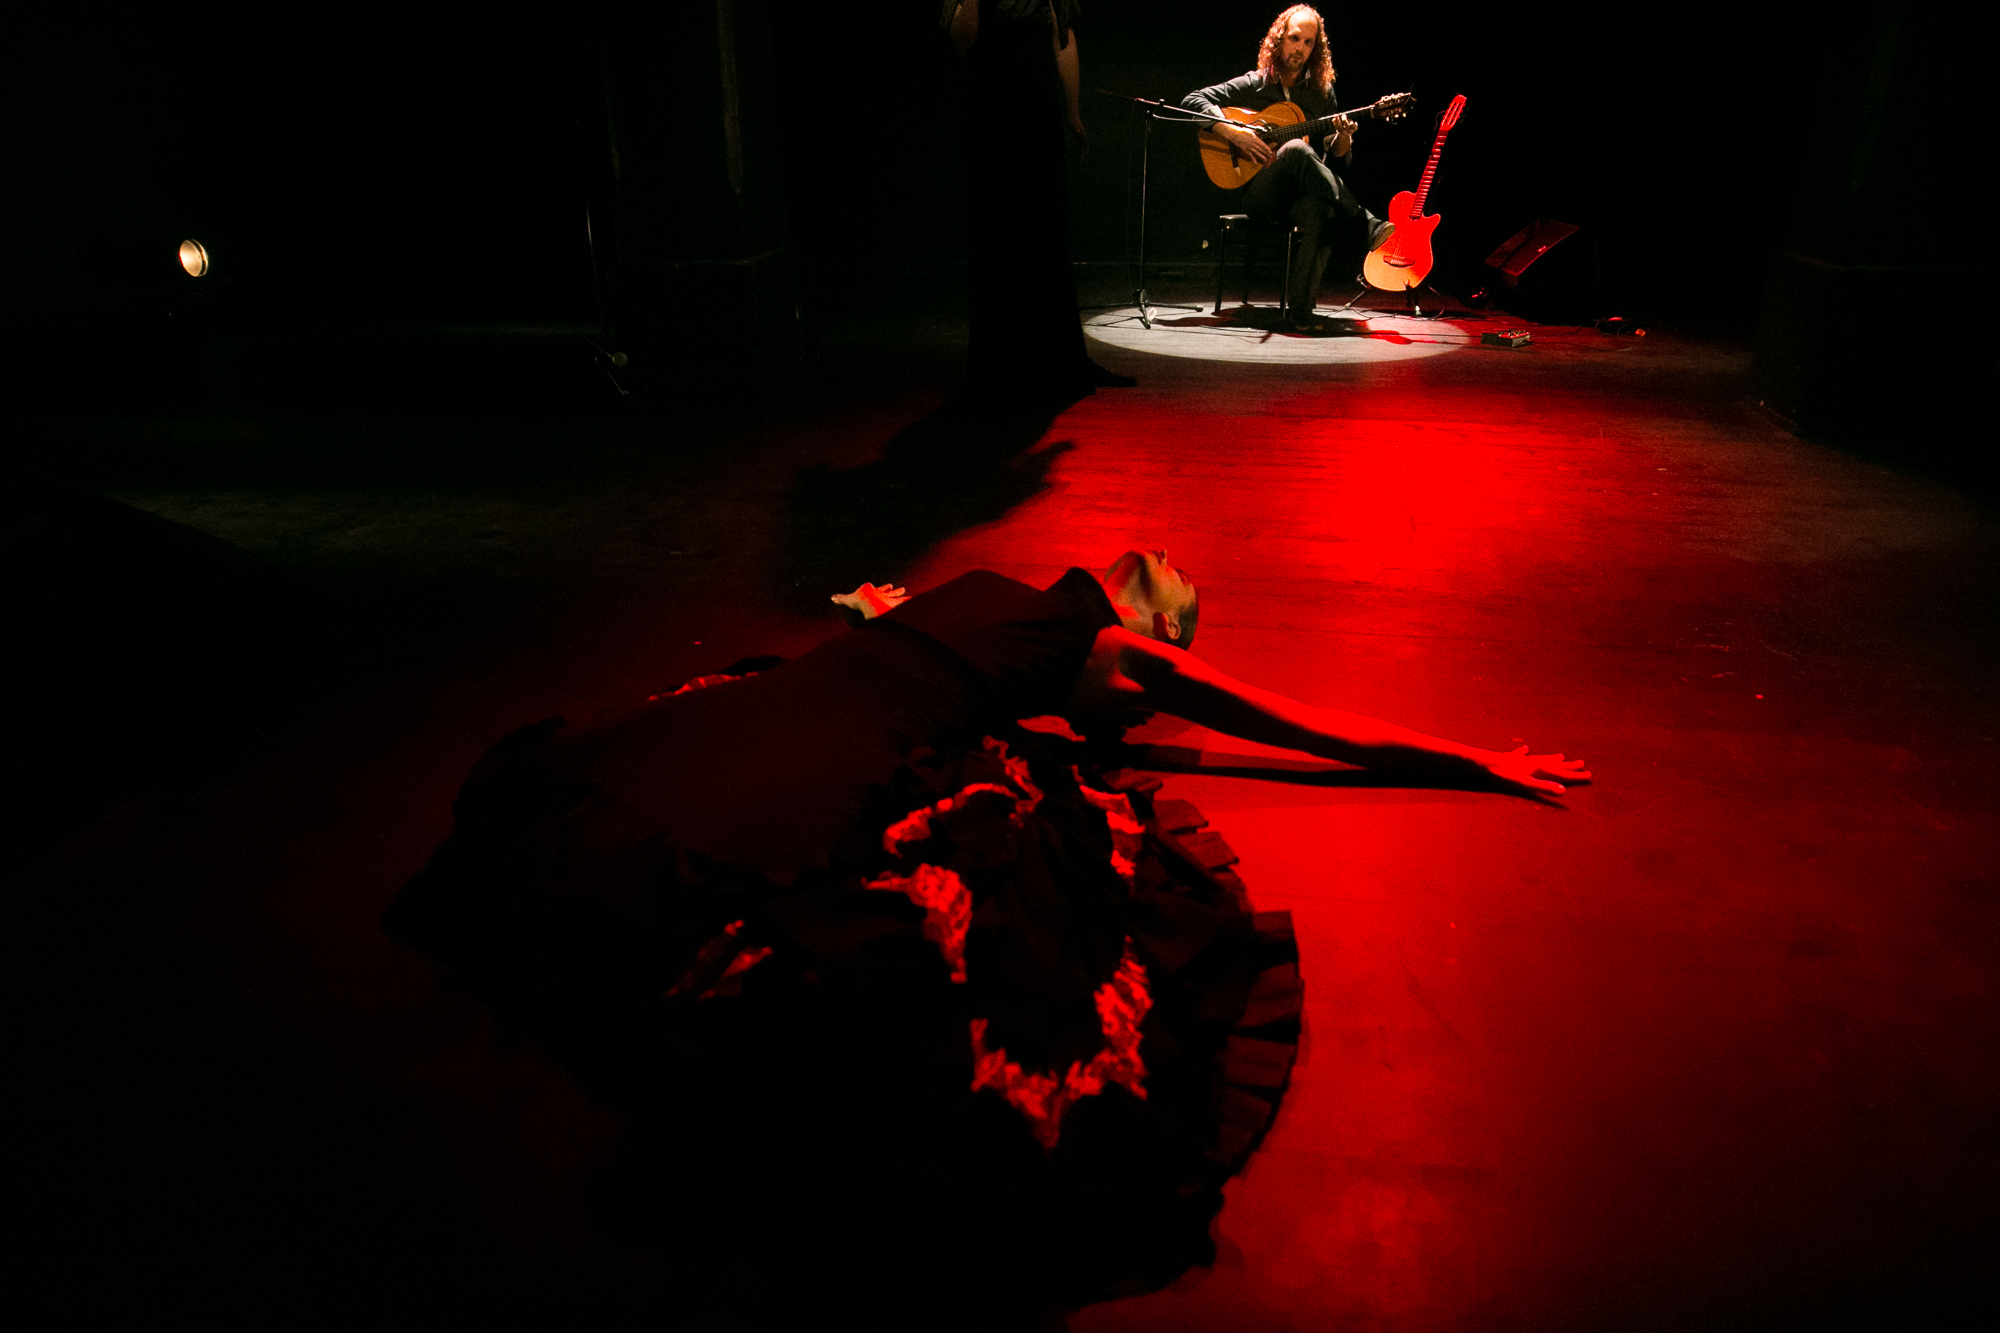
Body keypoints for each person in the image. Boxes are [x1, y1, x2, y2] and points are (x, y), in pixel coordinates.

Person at [387, 549, 1586, 1319]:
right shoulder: (1060, 619)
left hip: (824, 710)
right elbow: (1300, 723)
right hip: (836, 714)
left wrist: (1479, 758)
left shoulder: (1053, 615)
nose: (1164, 585)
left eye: (1170, 614)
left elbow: (1291, 721)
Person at [944, 1, 1135, 403]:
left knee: (1045, 234)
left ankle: (1058, 360)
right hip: (990, 111)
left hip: (1035, 109)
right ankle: (999, 367)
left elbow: (1061, 40)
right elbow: (961, 40)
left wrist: (1074, 111)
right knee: (996, 235)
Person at [1183, 5, 1395, 330]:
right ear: (1280, 39)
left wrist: (1343, 135)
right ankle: (1364, 221)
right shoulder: (1254, 83)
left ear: (1316, 49)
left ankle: (1300, 312)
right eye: (1294, 38)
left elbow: (1334, 152)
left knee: (1319, 208)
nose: (1300, 48)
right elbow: (1192, 100)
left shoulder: (1321, 93)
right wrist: (1234, 133)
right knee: (1295, 147)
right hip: (1261, 195)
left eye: (1308, 43)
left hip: (1301, 196)